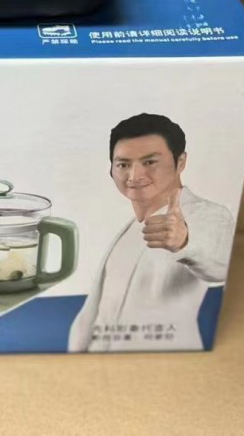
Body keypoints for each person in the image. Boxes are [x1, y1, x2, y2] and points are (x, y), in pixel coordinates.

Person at [68, 112, 235, 352]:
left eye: (149, 162)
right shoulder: (127, 230)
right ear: (111, 170)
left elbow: (221, 266)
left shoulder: (206, 214)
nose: (135, 176)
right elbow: (93, 314)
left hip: (166, 362)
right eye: (123, 164)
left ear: (180, 162)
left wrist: (186, 242)